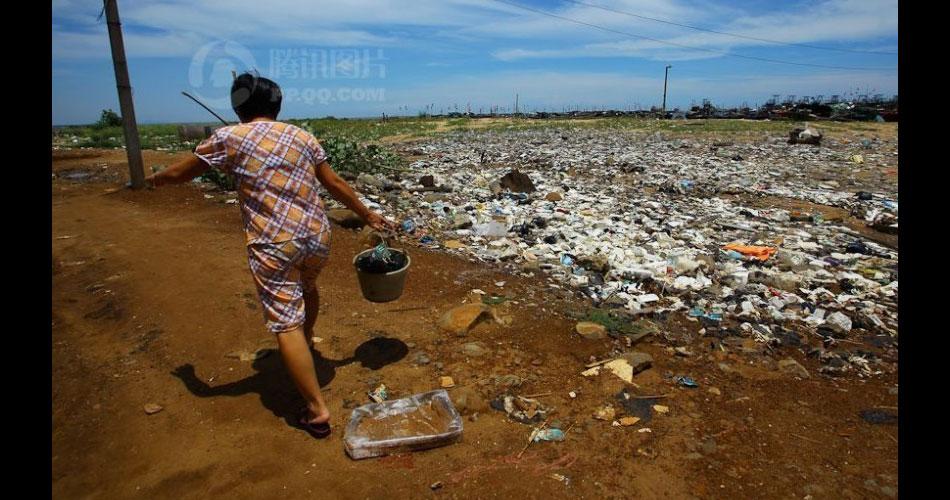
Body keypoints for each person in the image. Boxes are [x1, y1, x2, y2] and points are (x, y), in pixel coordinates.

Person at [143, 72, 397, 438]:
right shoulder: (301, 136)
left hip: (274, 244)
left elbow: (182, 173)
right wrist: (367, 214)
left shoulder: (228, 137)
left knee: (285, 322)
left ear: (238, 107)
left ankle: (316, 410)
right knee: (307, 287)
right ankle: (306, 341)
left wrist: (156, 179)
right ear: (277, 105)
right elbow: (334, 183)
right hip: (316, 237)